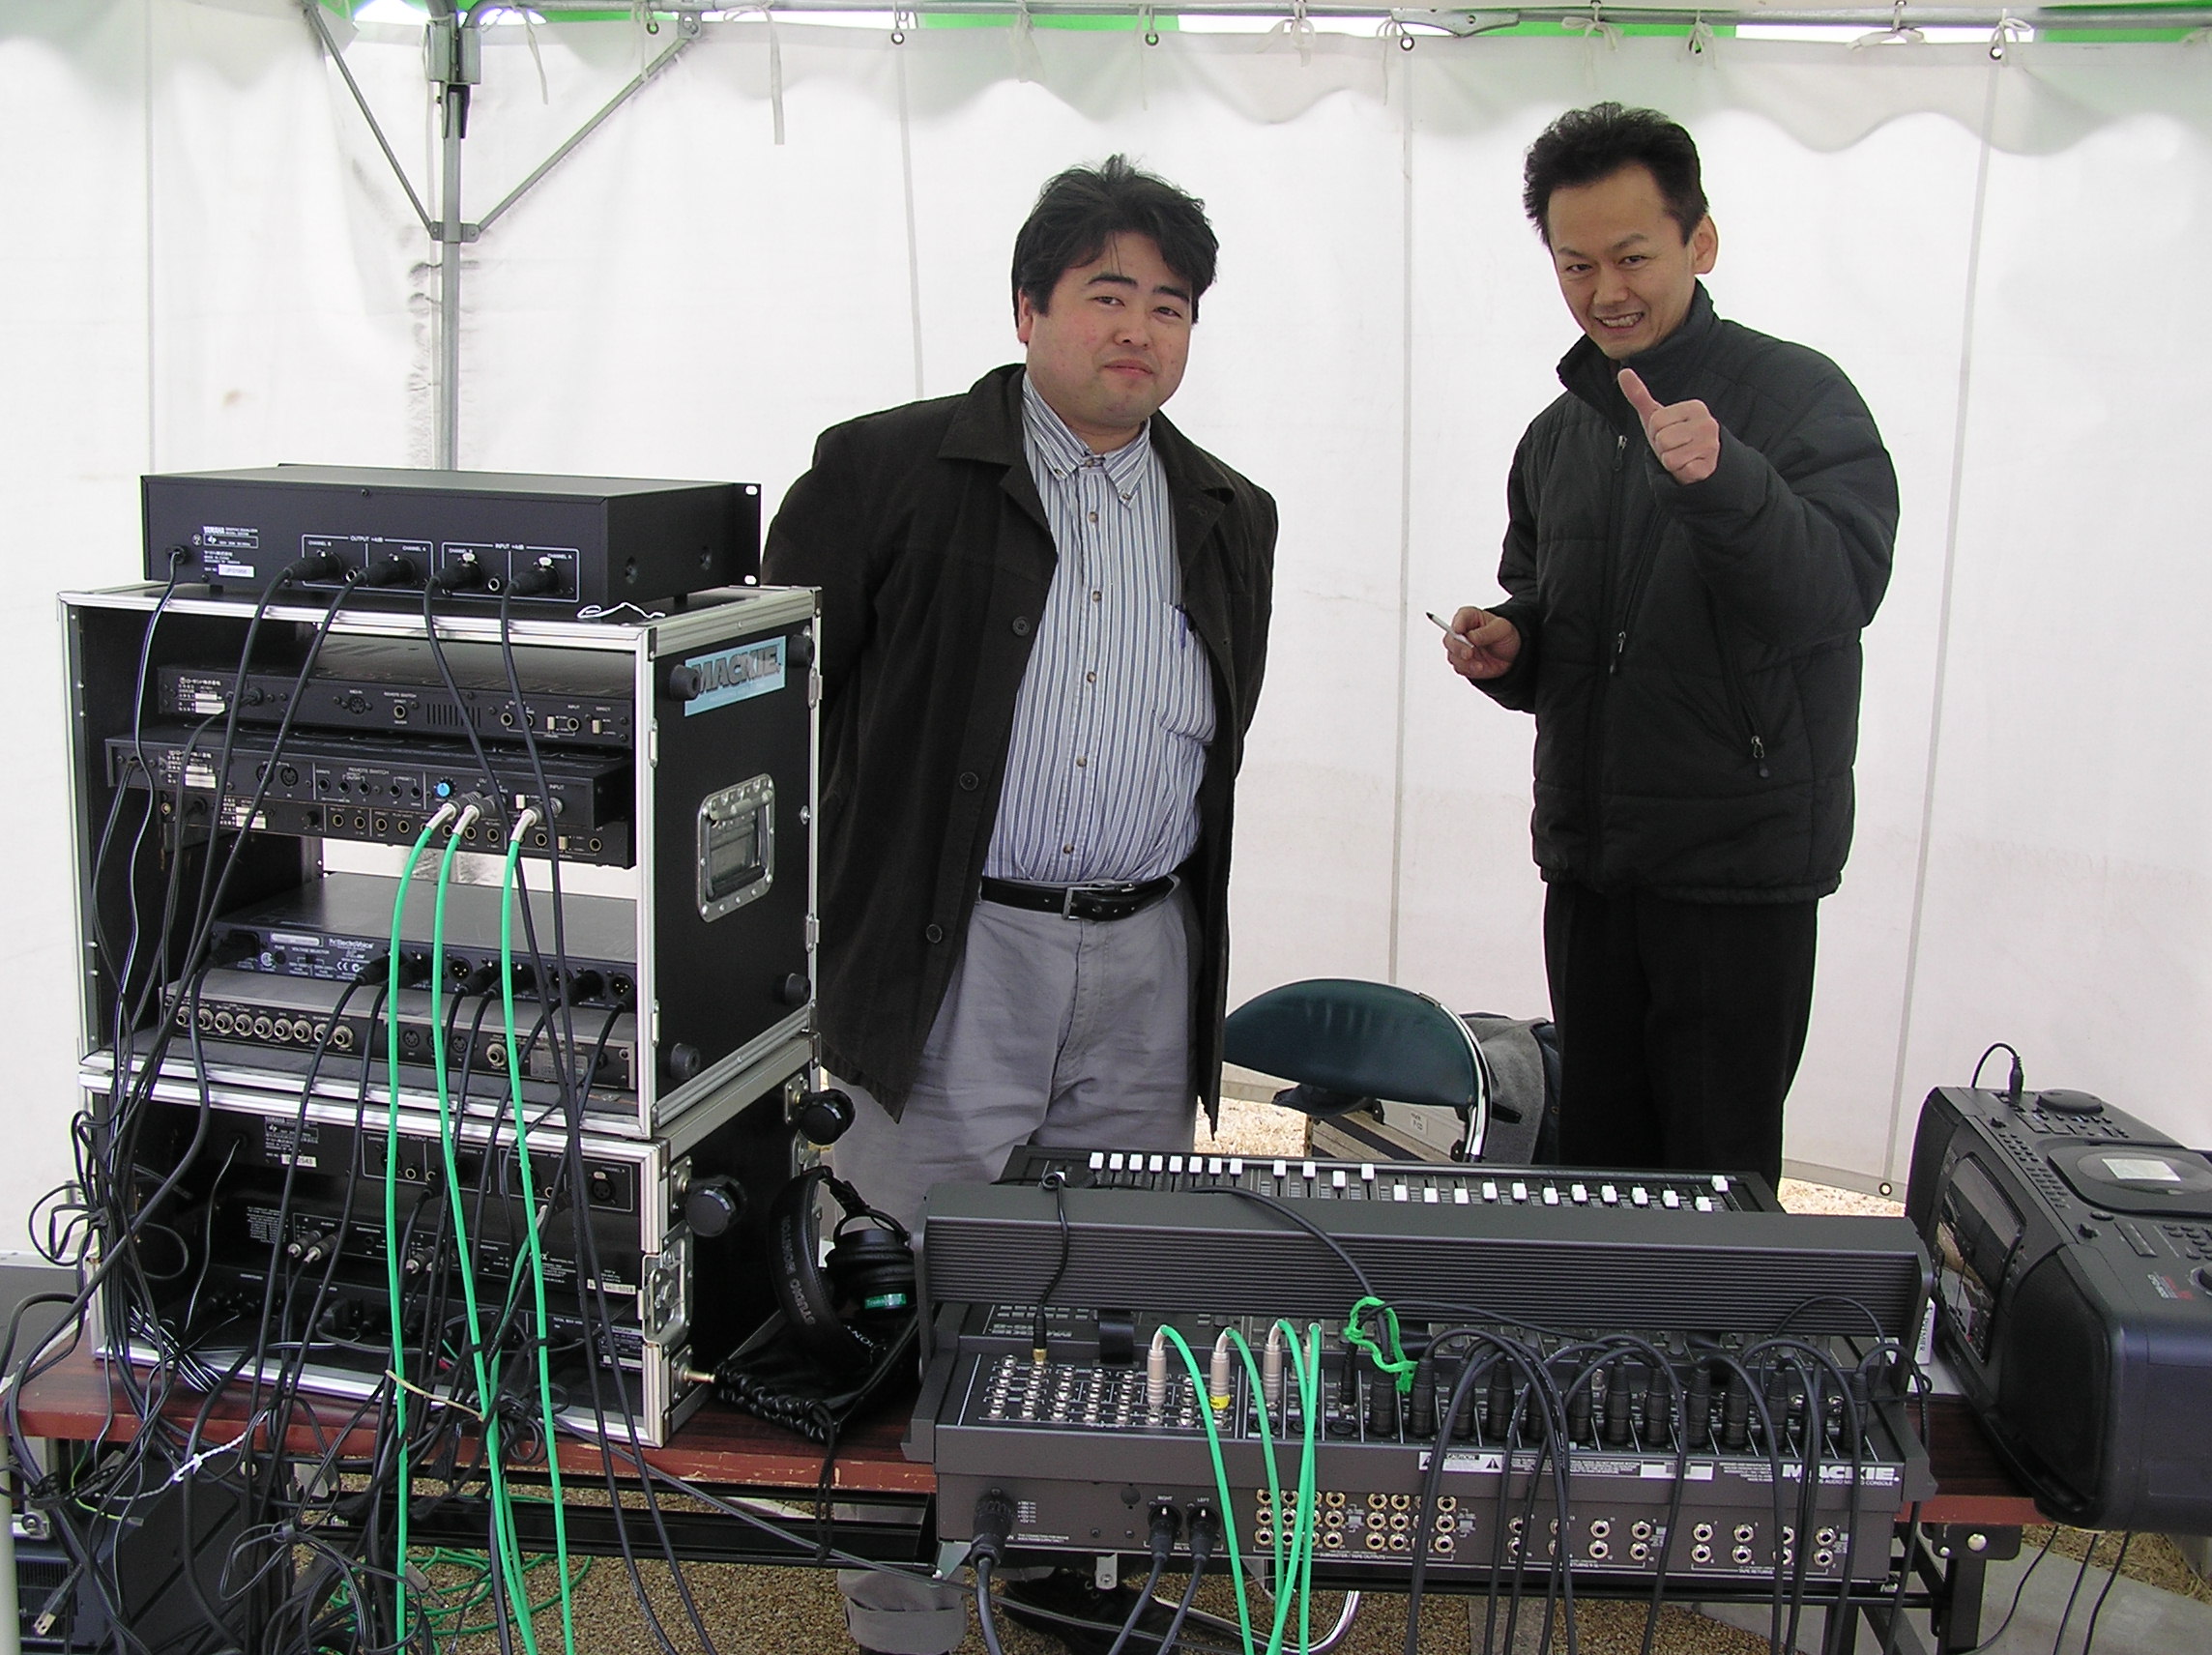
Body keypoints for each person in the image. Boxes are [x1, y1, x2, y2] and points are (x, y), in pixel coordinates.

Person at [761, 155, 1275, 1655]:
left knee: (1105, 1289)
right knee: (916, 1269)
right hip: (957, 944)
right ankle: (908, 1615)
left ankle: (1066, 1575)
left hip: (1147, 949)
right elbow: (776, 712)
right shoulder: (887, 470)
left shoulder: (1228, 509)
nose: (1140, 330)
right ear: (1028, 308)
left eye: (1170, 305)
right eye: (1109, 294)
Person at [1441, 103, 1897, 1190]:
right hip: (1593, 867)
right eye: (1576, 264)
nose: (1606, 289)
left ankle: (1718, 1319)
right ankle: (1606, 1314)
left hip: (1736, 878)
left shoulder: (1799, 399)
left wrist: (1726, 479)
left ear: (1700, 242)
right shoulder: (1557, 433)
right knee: (1599, 1165)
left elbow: (1836, 595)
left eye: (1633, 256)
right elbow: (1554, 612)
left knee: (1715, 1178)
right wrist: (1513, 645)